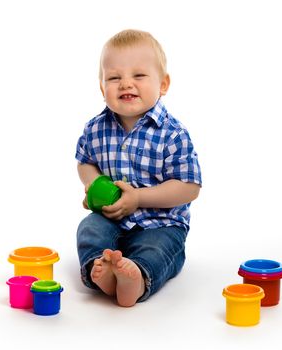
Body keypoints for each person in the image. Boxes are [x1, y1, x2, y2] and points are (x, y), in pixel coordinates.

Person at [75, 29, 202, 307]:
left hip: (161, 224)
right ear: (101, 87)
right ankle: (101, 269)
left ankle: (137, 276)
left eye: (139, 76)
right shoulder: (95, 129)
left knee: (158, 249)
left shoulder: (173, 134)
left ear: (163, 84)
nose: (125, 84)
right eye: (114, 77)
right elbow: (85, 162)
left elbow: (189, 187)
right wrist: (92, 184)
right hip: (112, 218)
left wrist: (139, 198)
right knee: (89, 229)